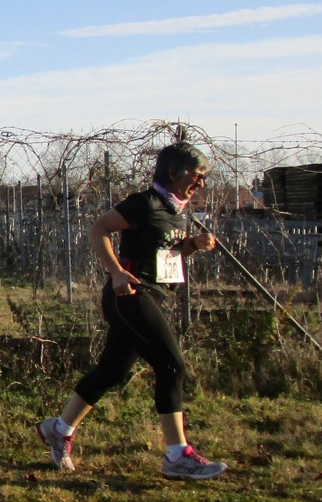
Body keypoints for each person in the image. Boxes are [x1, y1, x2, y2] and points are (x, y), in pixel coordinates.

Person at [36, 142, 225, 481]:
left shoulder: (177, 211)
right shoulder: (144, 203)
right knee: (171, 366)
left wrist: (193, 246)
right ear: (173, 172)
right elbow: (99, 228)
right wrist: (117, 272)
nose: (201, 183)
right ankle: (177, 455)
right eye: (196, 176)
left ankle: (59, 429)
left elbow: (166, 255)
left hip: (152, 295)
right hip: (130, 296)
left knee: (112, 370)